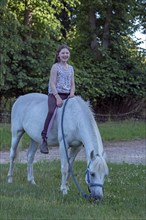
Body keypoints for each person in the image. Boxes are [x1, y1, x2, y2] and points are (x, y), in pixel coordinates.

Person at [40, 44, 75, 154]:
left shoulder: (70, 68)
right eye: (63, 53)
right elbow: (52, 83)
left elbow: (72, 84)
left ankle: (76, 137)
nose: (65, 55)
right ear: (59, 55)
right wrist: (57, 97)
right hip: (55, 94)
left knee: (76, 111)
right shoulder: (55, 67)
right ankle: (44, 139)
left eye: (67, 53)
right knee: (51, 111)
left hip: (67, 94)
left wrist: (72, 94)